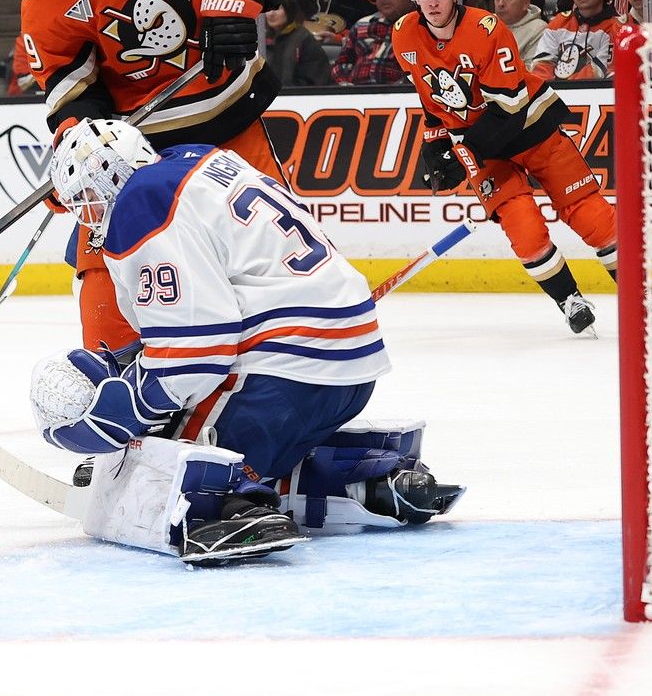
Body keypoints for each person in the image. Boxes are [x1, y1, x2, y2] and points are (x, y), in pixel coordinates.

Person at [29, 117, 462, 563]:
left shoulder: (141, 202)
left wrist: (135, 405)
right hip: (348, 367)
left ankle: (233, 508)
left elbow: (197, 350)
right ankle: (373, 481)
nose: (90, 214)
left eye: (87, 199)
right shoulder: (198, 160)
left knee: (169, 460)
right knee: (260, 456)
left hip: (282, 372)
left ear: (109, 177)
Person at [21, 0, 316, 352]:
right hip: (135, 149)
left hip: (227, 119)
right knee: (104, 272)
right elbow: (70, 87)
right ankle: (113, 378)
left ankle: (300, 353)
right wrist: (83, 141)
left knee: (276, 245)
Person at [391, 0, 616, 334]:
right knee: (522, 227)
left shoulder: (487, 29)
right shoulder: (403, 34)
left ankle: (644, 298)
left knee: (587, 213)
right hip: (480, 142)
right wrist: (434, 143)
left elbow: (510, 107)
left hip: (530, 128)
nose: (432, 1)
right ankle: (569, 300)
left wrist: (464, 152)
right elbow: (431, 99)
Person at [531, 0, 622, 81]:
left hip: (596, 95)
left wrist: (566, 88)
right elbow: (541, 63)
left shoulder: (617, 27)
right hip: (555, 94)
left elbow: (600, 72)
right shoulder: (559, 22)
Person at [332, 0, 410, 85]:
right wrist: (346, 87)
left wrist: (397, 93)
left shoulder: (421, 28)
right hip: (355, 97)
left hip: (399, 98)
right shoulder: (362, 25)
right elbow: (341, 64)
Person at [264, 0, 331, 87]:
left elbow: (314, 80)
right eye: (268, 9)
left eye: (278, 8)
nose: (271, 13)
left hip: (297, 97)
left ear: (289, 10)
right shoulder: (259, 39)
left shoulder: (304, 39)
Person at [493, 0, 546, 64]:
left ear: (526, 3)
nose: (500, 3)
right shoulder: (485, 25)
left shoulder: (538, 29)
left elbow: (532, 72)